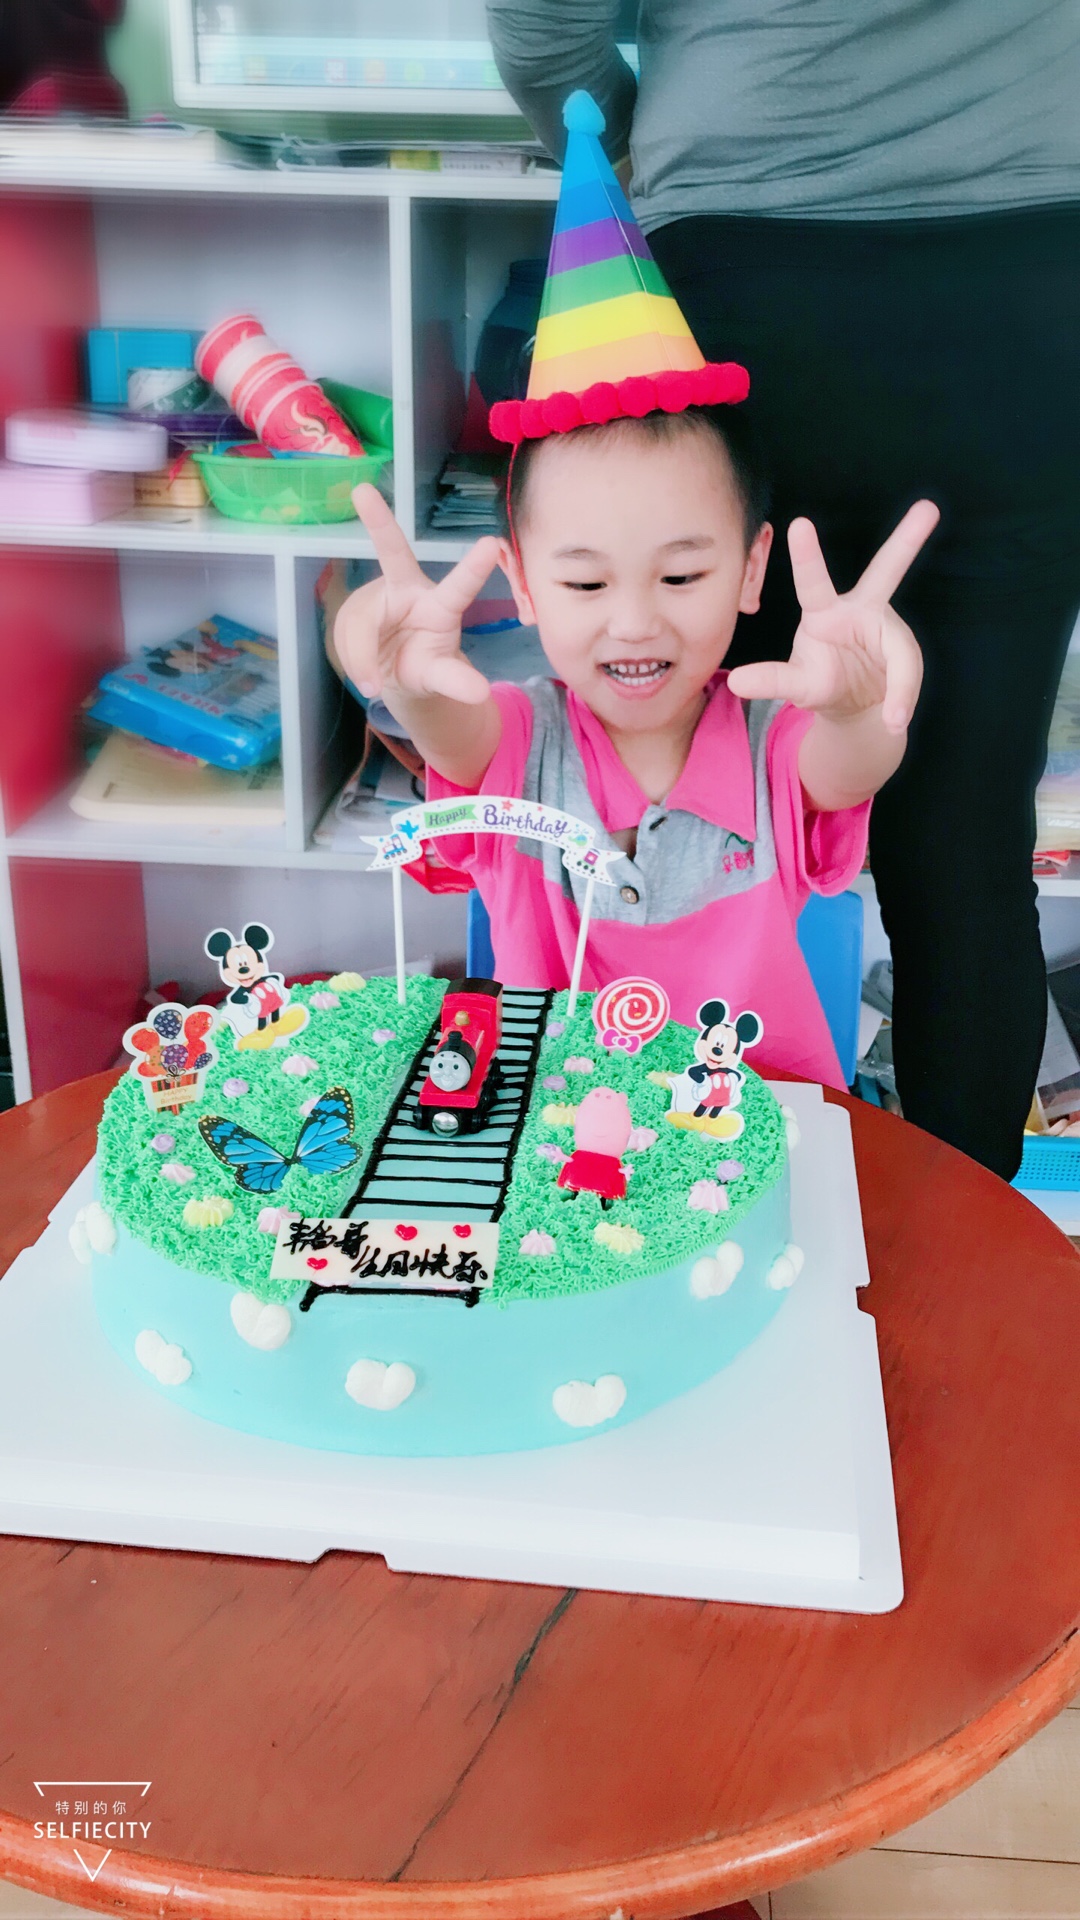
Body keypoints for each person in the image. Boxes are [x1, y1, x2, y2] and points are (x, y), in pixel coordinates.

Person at [486, 1, 1080, 1177]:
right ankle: (950, 1259)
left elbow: (542, 25)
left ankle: (671, 1205)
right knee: (965, 846)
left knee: (694, 815)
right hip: (1030, 290)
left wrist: (633, 142)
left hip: (754, 258)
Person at [334, 414, 937, 1085]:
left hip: (760, 1116)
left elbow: (849, 767)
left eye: (680, 576)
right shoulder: (516, 739)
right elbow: (448, 729)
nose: (634, 624)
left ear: (750, 569)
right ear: (524, 584)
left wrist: (859, 709)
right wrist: (404, 678)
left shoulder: (772, 739)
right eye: (587, 584)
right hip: (549, 1125)